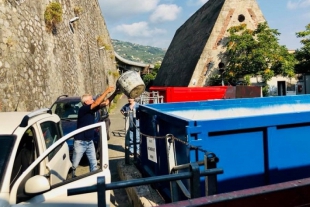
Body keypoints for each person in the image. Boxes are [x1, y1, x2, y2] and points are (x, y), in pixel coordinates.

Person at [72, 86, 114, 175]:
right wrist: (106, 91)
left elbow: (106, 103)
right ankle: (70, 178)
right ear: (86, 102)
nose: (92, 100)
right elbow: (96, 102)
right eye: (91, 99)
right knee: (75, 164)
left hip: (89, 141)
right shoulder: (83, 109)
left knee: (93, 163)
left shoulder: (91, 109)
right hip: (80, 142)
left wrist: (115, 93)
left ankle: (93, 179)